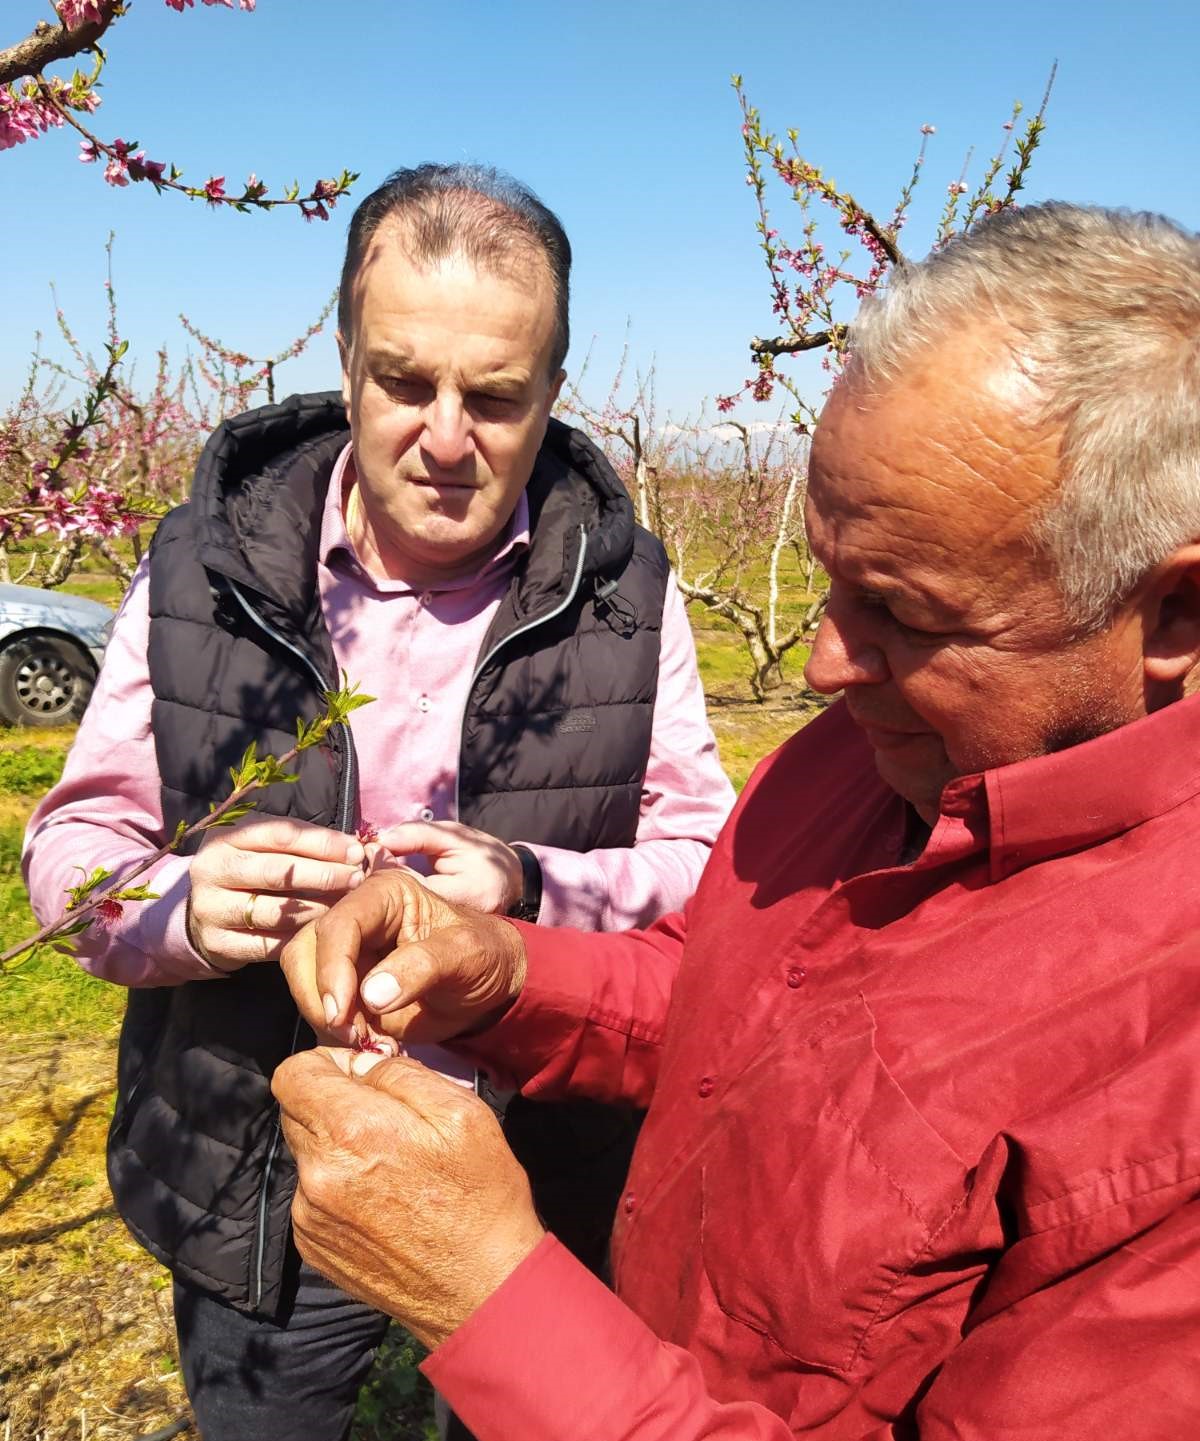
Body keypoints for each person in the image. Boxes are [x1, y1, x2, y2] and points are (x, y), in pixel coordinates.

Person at [274, 201, 1200, 1440]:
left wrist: (492, 1301)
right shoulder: (864, 759)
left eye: (905, 612)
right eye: (824, 573)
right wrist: (499, 975)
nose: (823, 663)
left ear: (1175, 616)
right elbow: (727, 992)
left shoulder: (1170, 1089)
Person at [22, 164, 734, 1440]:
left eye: (497, 398)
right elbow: (74, 848)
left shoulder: (628, 593)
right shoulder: (206, 566)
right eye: (405, 381)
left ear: (552, 396)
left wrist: (528, 886)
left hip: (535, 1187)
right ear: (344, 358)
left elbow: (705, 865)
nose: (447, 437)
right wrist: (184, 906)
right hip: (260, 1167)